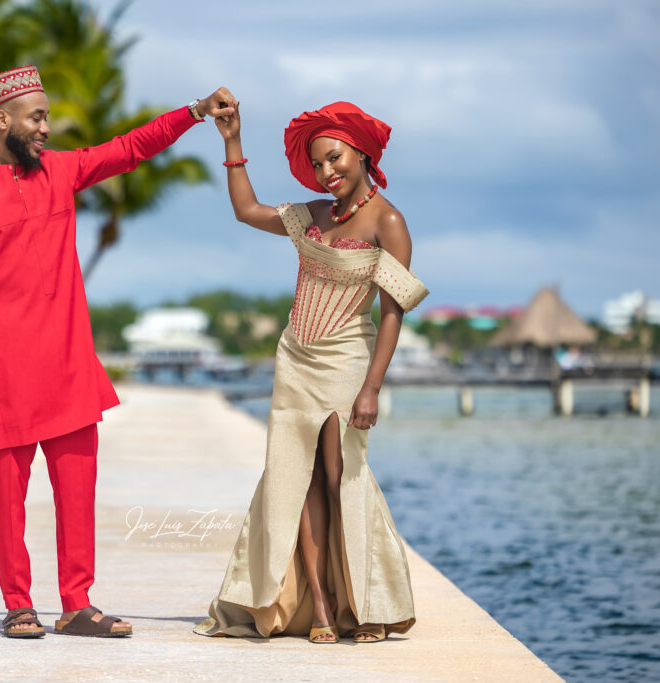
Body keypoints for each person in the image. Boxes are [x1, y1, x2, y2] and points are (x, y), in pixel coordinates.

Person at [0, 64, 235, 638]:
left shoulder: (61, 171)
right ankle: (19, 604)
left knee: (77, 493)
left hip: (67, 364)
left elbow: (129, 149)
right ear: (2, 119)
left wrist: (193, 112)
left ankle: (77, 603)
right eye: (37, 117)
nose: (46, 127)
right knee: (8, 502)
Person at [194, 101, 428, 644]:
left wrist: (372, 386)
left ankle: (365, 602)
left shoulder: (389, 221)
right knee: (293, 477)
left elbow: (392, 311)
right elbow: (247, 210)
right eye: (318, 164)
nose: (327, 172)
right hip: (295, 356)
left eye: (335, 158)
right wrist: (232, 140)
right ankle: (319, 601)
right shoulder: (313, 215)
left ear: (360, 153)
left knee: (338, 472)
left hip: (348, 357)